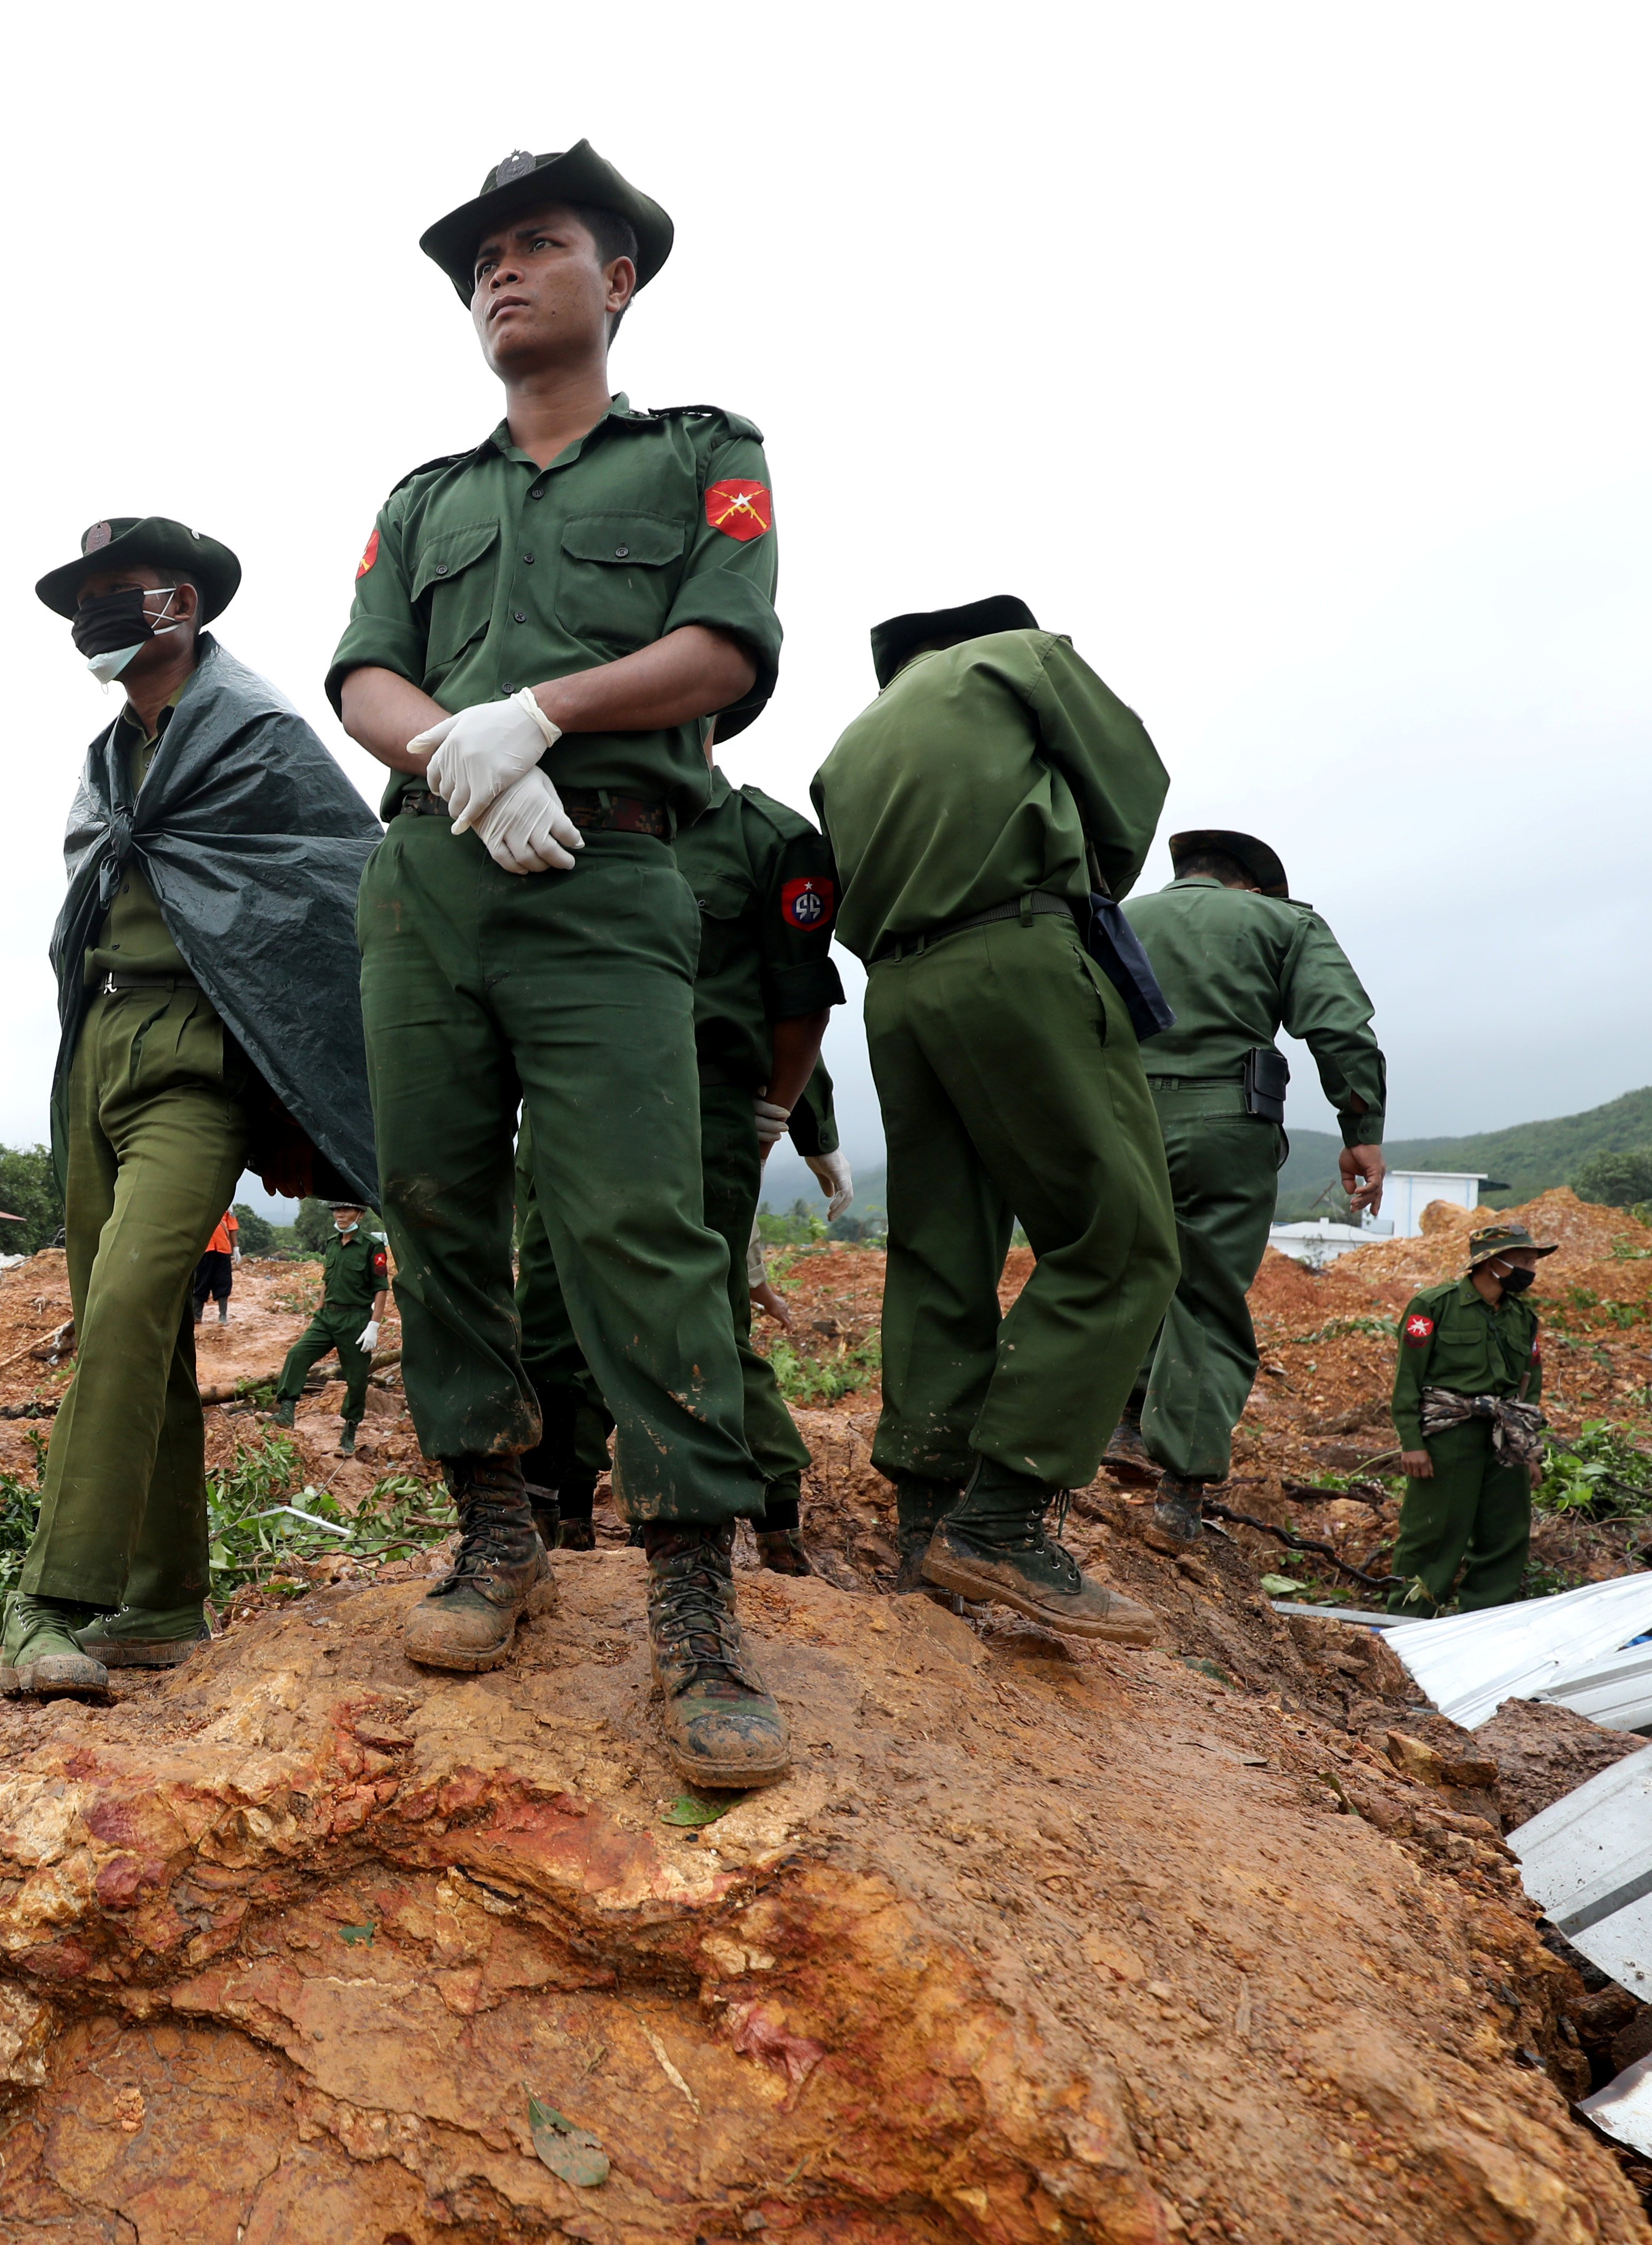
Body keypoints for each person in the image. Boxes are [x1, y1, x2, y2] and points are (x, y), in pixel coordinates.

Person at [326, 141, 789, 1787]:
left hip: (608, 872)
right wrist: (461, 749)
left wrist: (544, 716)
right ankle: (493, 1525)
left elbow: (723, 648)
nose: (499, 275)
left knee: (632, 1214)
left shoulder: (696, 456)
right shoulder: (421, 499)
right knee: (436, 1197)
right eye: (478, 262)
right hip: (430, 877)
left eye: (535, 246)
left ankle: (691, 1598)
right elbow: (361, 677)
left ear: (620, 277)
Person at [18, 517, 383, 1692]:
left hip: (198, 1043)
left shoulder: (257, 733)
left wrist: (296, 1068)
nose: (96, 619)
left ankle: (53, 1601)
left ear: (180, 603)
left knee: (123, 1306)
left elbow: (336, 879)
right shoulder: (104, 758)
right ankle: (161, 1598)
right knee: (139, 1325)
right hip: (100, 1046)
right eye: (85, 600)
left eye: (119, 594)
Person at [807, 596, 1176, 1644]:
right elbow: (1130, 780)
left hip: (899, 992)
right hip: (1015, 955)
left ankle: (929, 1526)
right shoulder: (1016, 658)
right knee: (1121, 1241)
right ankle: (1005, 1521)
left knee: (940, 1250)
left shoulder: (848, 747)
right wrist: (1080, 886)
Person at [514, 780, 851, 1571]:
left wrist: (794, 1118)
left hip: (702, 1110)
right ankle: (556, 1525)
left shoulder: (768, 839)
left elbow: (791, 1001)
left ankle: (748, 1529)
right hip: (569, 1099)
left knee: (702, 1317)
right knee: (554, 1314)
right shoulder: (567, 813)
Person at [1116, 828, 1387, 1548]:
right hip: (1225, 1125)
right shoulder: (1283, 922)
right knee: (1205, 1297)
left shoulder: (1114, 916)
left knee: (1115, 1272)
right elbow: (1339, 1028)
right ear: (1252, 886)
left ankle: (1111, 1431)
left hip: (1116, 1118)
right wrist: (1361, 1129)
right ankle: (1179, 1494)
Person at [1391, 1224, 1553, 1608]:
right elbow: (1407, 1379)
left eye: (1532, 1261)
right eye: (1523, 1260)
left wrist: (1528, 1452)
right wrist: (1412, 1443)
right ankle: (1410, 1620)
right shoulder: (1434, 1306)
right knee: (1433, 1532)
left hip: (1505, 1439)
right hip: (1451, 1438)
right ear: (1492, 1262)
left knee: (1506, 1535)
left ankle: (1485, 1621)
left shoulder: (1522, 1318)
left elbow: (1531, 1387)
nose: (1531, 1268)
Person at [271, 1204, 393, 1454]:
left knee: (357, 1378)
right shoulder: (333, 1243)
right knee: (298, 1354)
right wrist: (319, 1308)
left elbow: (381, 1288)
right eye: (336, 1211)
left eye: (346, 1211)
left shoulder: (372, 1246)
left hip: (356, 1319)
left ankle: (349, 1433)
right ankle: (287, 1412)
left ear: (360, 1214)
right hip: (327, 1318)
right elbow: (327, 1280)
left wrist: (374, 1325)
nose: (340, 1215)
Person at [196, 1206, 240, 1322]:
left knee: (223, 1282)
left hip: (223, 1249)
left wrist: (236, 1248)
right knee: (200, 1282)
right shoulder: (200, 1204)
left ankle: (223, 1316)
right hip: (204, 1250)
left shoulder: (228, 1206)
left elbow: (233, 1227)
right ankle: (197, 1315)